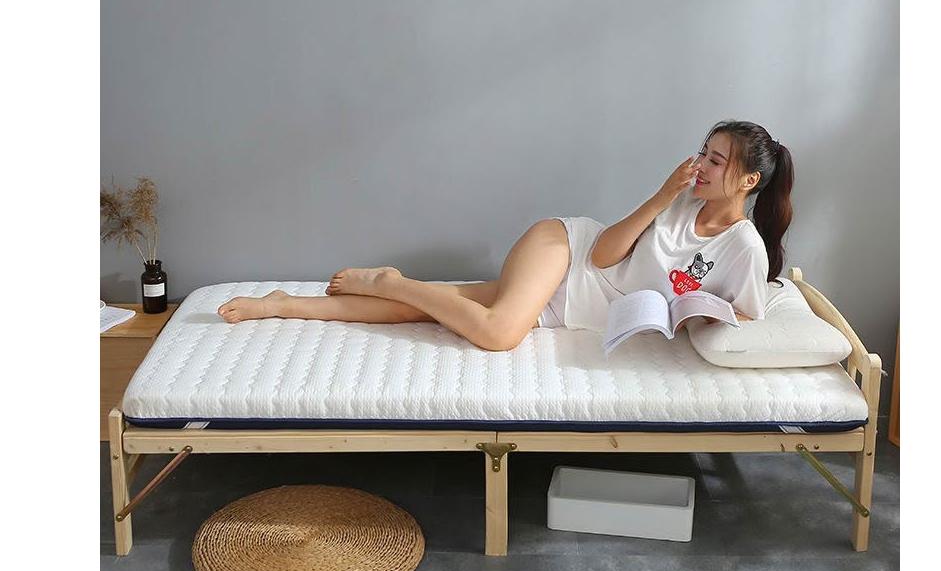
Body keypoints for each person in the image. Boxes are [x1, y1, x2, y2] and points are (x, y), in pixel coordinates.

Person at [217, 120, 794, 352]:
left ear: (748, 181)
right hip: (565, 252)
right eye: (703, 153)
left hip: (576, 306)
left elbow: (743, 317)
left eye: (716, 161)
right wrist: (663, 195)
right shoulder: (680, 200)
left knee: (426, 311)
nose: (700, 166)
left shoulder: (743, 247)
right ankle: (392, 280)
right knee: (498, 334)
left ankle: (283, 305)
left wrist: (691, 314)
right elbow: (602, 255)